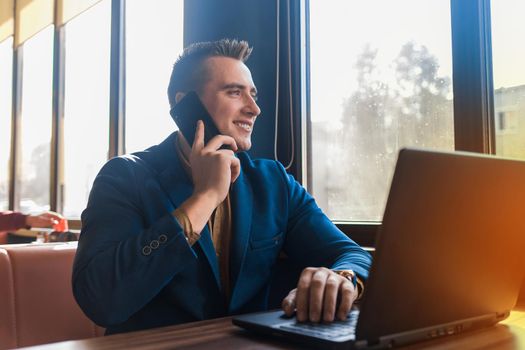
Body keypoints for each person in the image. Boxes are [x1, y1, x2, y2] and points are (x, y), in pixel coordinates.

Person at [73, 39, 372, 334]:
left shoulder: (273, 182)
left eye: (253, 95)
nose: (254, 108)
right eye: (234, 92)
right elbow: (100, 300)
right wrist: (204, 197)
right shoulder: (125, 176)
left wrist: (342, 276)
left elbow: (353, 254)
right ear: (185, 104)